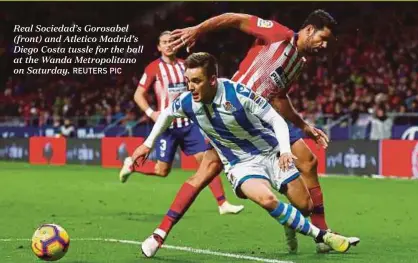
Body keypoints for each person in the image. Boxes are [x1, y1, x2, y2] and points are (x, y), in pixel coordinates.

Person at [138, 10, 360, 255]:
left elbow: (279, 96)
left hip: (264, 120)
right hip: (231, 115)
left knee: (308, 162)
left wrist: (304, 126)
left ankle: (320, 234)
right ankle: (160, 233)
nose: (324, 45)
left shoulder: (299, 60)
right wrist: (198, 29)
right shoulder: (278, 34)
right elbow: (235, 18)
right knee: (204, 174)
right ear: (309, 30)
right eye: (323, 38)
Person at [119, 31, 244, 215]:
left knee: (206, 162)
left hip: (189, 124)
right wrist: (151, 113)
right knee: (162, 171)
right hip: (167, 127)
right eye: (164, 42)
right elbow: (138, 94)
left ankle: (222, 203)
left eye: (171, 41)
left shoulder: (185, 65)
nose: (169, 44)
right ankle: (132, 165)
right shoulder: (153, 68)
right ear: (159, 47)